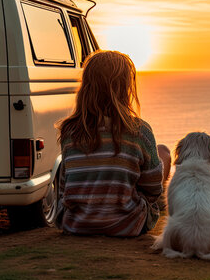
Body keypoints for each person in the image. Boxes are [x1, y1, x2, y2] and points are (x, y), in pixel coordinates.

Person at [55, 50, 171, 236]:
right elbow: (152, 191)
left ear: (87, 86)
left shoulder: (70, 130)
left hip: (76, 224)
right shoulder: (139, 131)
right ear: (124, 88)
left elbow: (64, 187)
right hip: (128, 225)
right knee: (163, 152)